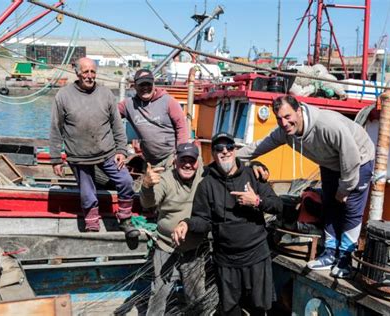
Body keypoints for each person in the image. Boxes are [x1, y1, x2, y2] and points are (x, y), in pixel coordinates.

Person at [237, 95, 375, 278]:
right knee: (329, 205)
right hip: (330, 163)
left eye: (288, 117)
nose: (284, 123)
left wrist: (344, 189)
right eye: (279, 119)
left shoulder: (327, 126)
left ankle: (344, 259)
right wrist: (231, 158)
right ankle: (329, 253)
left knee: (351, 208)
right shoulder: (285, 133)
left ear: (299, 111)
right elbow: (259, 146)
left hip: (360, 159)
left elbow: (351, 159)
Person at [173, 133, 283, 316]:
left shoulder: (252, 175)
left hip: (256, 255)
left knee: (259, 308)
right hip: (226, 260)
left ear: (235, 150)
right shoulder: (206, 185)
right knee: (230, 310)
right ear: (213, 154)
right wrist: (187, 223)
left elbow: (278, 206)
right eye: (218, 148)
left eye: (229, 147)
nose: (224, 151)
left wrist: (256, 201)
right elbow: (204, 221)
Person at [50, 57, 139, 238]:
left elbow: (117, 125)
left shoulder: (105, 93)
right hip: (78, 155)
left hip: (107, 152)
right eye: (85, 72)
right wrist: (55, 159)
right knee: (88, 193)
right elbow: (56, 128)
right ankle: (92, 226)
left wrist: (121, 150)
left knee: (126, 181)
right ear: (77, 73)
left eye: (93, 72)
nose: (90, 76)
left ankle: (125, 218)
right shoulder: (63, 95)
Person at [140, 142, 207, 315]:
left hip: (194, 247)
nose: (187, 164)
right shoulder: (166, 178)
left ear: (198, 163)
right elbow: (148, 203)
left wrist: (254, 167)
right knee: (159, 292)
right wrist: (146, 186)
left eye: (191, 160)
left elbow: (234, 159)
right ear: (175, 161)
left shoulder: (205, 176)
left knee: (196, 294)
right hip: (166, 246)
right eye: (183, 159)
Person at [117, 69, 188, 169]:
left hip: (170, 158)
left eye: (148, 84)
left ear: (154, 84)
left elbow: (182, 127)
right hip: (150, 161)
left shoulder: (168, 101)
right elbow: (109, 116)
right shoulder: (128, 105)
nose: (145, 88)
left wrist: (180, 154)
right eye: (142, 85)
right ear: (135, 86)